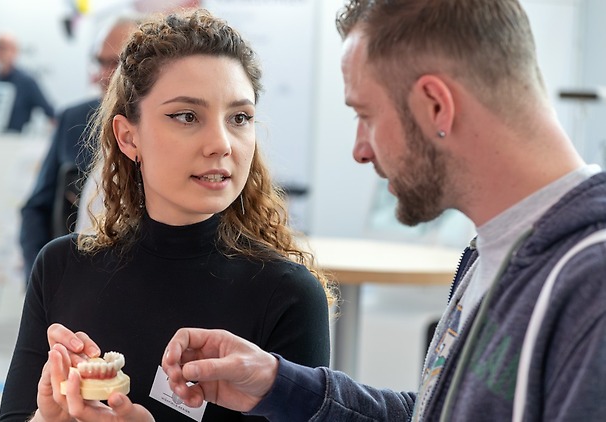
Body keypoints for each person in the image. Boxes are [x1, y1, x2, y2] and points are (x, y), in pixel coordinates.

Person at [162, 0, 606, 421]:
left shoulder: (591, 289)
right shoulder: (496, 252)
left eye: (366, 114)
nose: (360, 150)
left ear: (436, 105)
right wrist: (280, 385)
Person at [0, 9, 336, 422]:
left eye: (239, 118)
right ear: (128, 136)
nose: (220, 143)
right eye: (187, 116)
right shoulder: (61, 267)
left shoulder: (288, 295)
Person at [19, 16, 138, 282]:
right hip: (72, 280)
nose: (104, 75)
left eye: (116, 63)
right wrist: (38, 281)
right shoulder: (74, 120)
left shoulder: (165, 130)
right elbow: (36, 208)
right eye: (100, 61)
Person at [0, 32, 56, 133]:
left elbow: (49, 111)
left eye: (3, 48)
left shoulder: (27, 81)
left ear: (15, 51)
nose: (0, 53)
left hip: (17, 142)